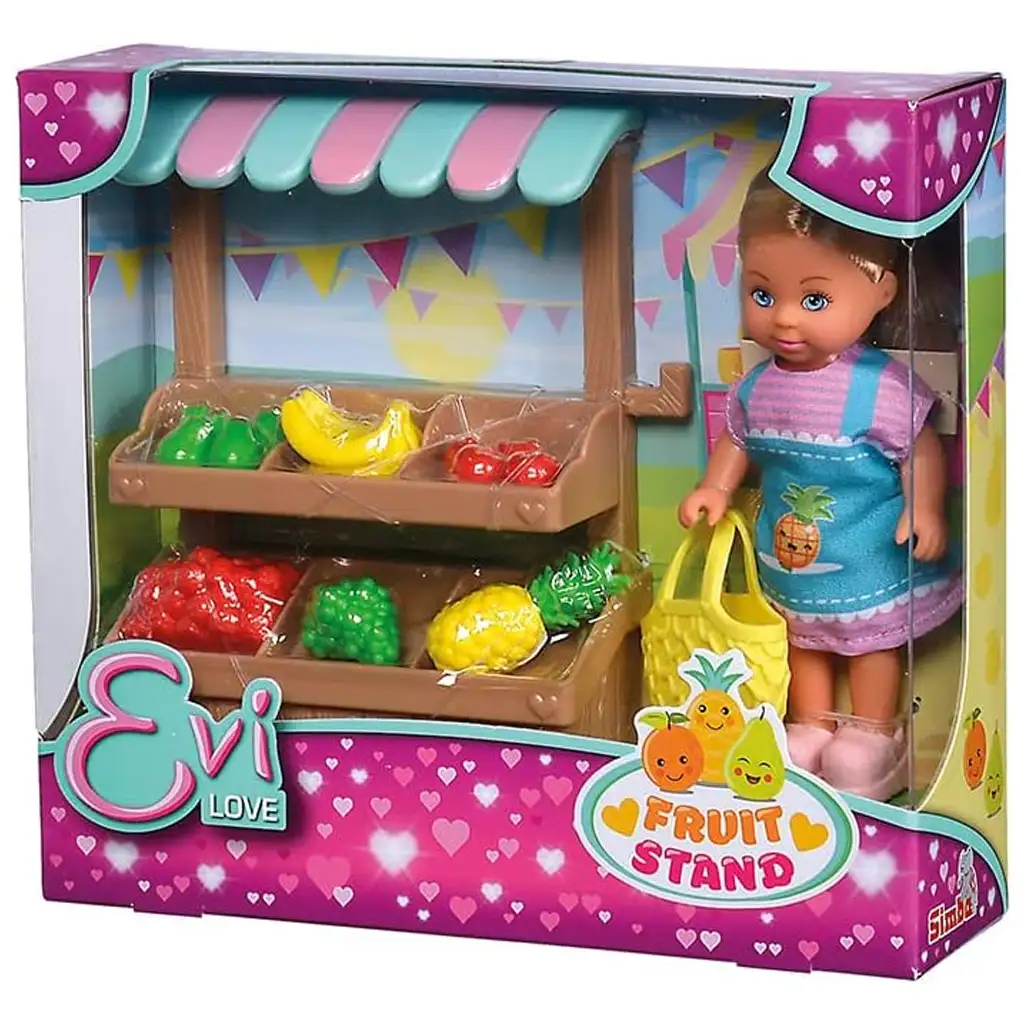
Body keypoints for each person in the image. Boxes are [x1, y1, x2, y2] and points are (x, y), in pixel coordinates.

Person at [679, 168, 963, 801]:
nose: (784, 318)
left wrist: (925, 507)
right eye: (761, 294)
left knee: (869, 644)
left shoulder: (879, 386)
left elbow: (918, 446)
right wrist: (715, 489)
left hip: (868, 550)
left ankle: (873, 732)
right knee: (801, 640)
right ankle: (809, 725)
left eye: (813, 301)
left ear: (881, 291)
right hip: (788, 557)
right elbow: (737, 440)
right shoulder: (758, 387)